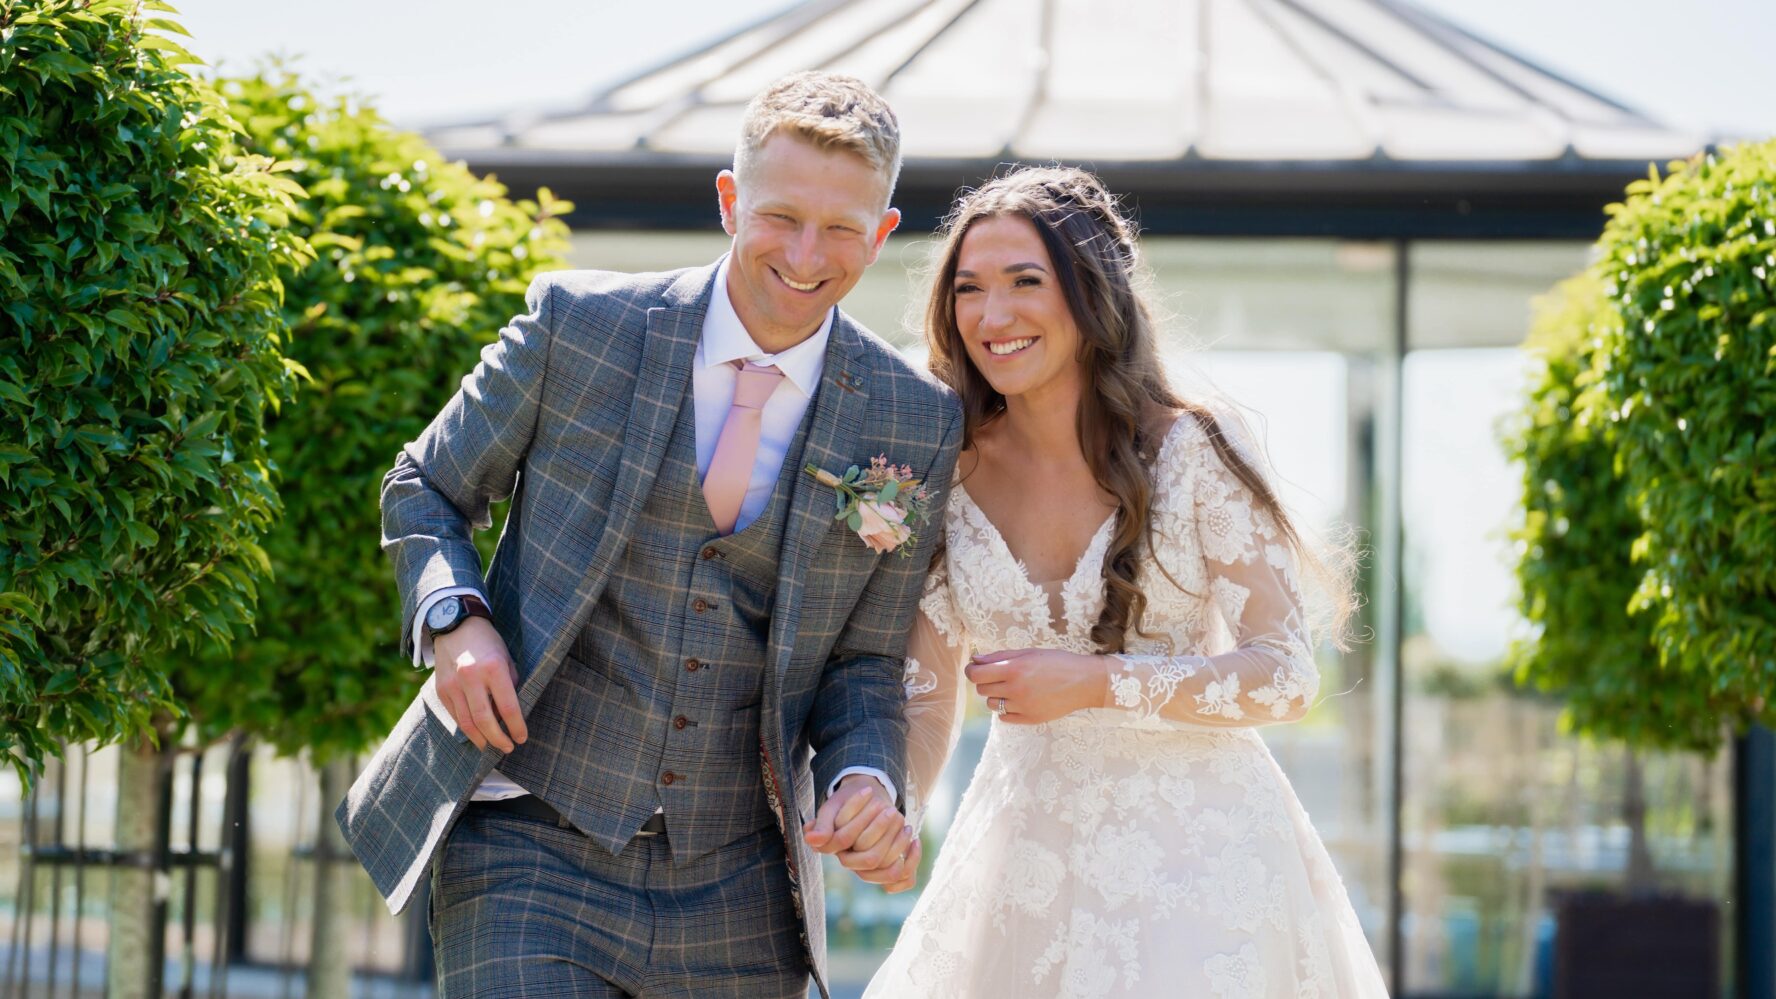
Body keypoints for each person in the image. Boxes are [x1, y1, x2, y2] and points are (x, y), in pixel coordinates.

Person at [335, 72, 963, 999]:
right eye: (780, 215)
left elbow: (864, 661)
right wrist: (454, 621)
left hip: (741, 882)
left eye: (841, 228)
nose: (804, 253)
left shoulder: (916, 421)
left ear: (882, 231)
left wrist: (867, 775)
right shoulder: (579, 327)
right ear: (728, 200)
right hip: (530, 834)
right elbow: (425, 483)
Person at [865, 166, 1389, 997]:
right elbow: (928, 695)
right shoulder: (944, 469)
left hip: (1202, 872)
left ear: (1090, 293)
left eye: (1024, 282)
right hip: (1020, 866)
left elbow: (1284, 674)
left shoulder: (1192, 452)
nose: (992, 316)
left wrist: (1099, 683)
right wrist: (895, 813)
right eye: (969, 289)